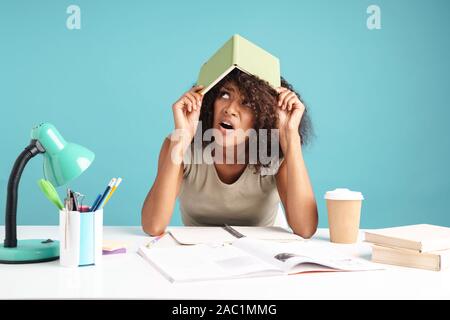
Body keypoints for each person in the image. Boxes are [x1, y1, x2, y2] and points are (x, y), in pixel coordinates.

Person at [142, 68, 318, 238]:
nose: (230, 109)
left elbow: (305, 229)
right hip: (198, 254)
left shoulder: (274, 154)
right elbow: (153, 226)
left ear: (264, 115)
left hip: (259, 254)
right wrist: (182, 137)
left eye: (247, 103)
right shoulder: (181, 145)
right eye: (225, 95)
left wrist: (290, 137)